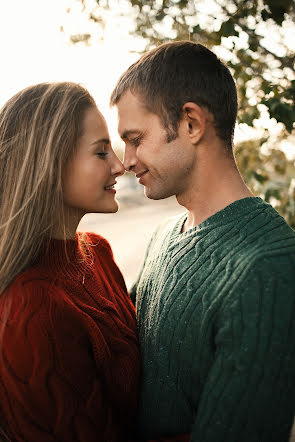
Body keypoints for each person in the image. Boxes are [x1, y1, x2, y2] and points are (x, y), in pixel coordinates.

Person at [110, 41, 295, 441]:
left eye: (136, 138)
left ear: (192, 124)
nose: (126, 160)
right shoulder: (163, 237)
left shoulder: (269, 268)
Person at [0, 82, 140, 442]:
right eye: (101, 151)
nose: (120, 165)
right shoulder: (32, 311)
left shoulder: (98, 252)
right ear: (49, 165)